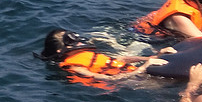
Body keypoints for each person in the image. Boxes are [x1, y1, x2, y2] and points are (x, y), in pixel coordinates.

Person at [38, 29, 168, 85]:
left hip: (137, 73)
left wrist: (155, 56)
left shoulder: (84, 55)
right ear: (60, 50)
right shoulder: (75, 67)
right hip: (135, 82)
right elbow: (108, 79)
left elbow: (120, 60)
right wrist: (142, 69)